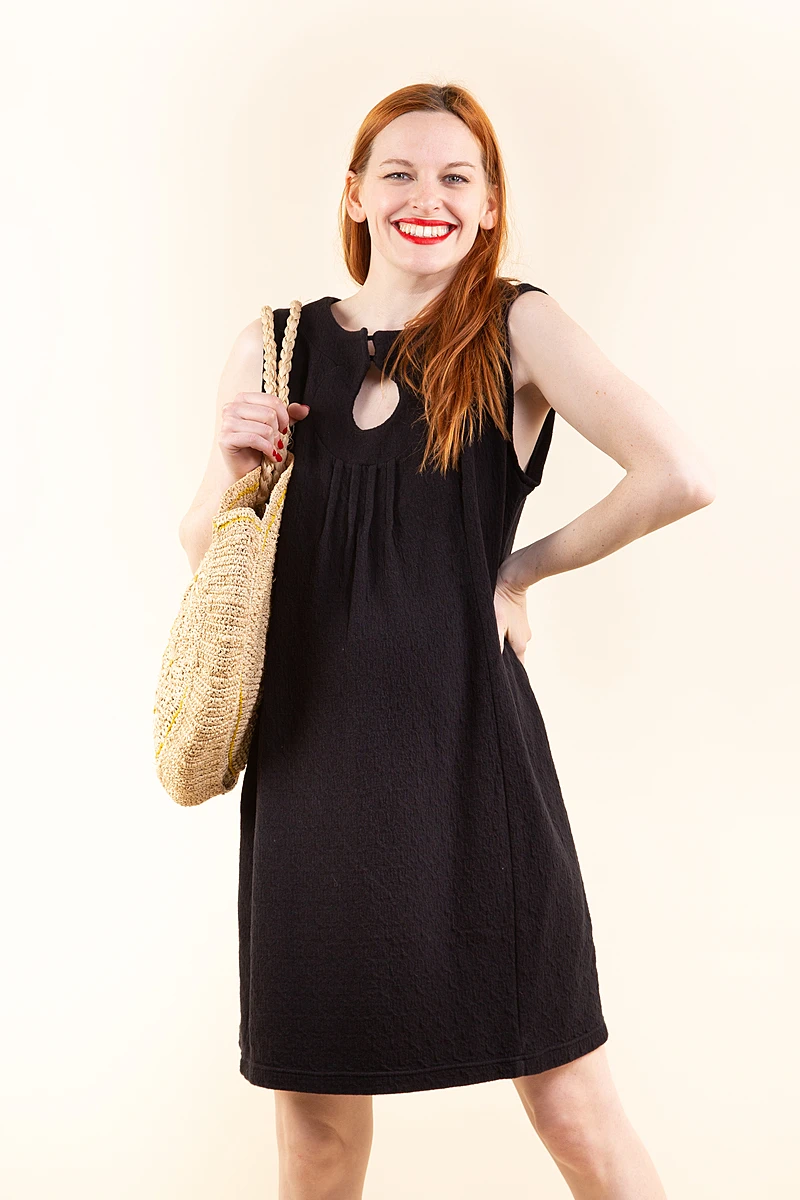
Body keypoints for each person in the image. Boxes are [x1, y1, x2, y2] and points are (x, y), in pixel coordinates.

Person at [178, 82, 715, 1199]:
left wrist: (517, 569)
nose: (428, 197)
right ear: (355, 195)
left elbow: (676, 474)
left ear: (488, 204)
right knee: (316, 1134)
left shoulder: (516, 324)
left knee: (572, 1109)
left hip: (471, 759)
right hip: (311, 769)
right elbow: (206, 556)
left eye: (456, 176)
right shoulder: (274, 345)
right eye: (400, 172)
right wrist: (232, 470)